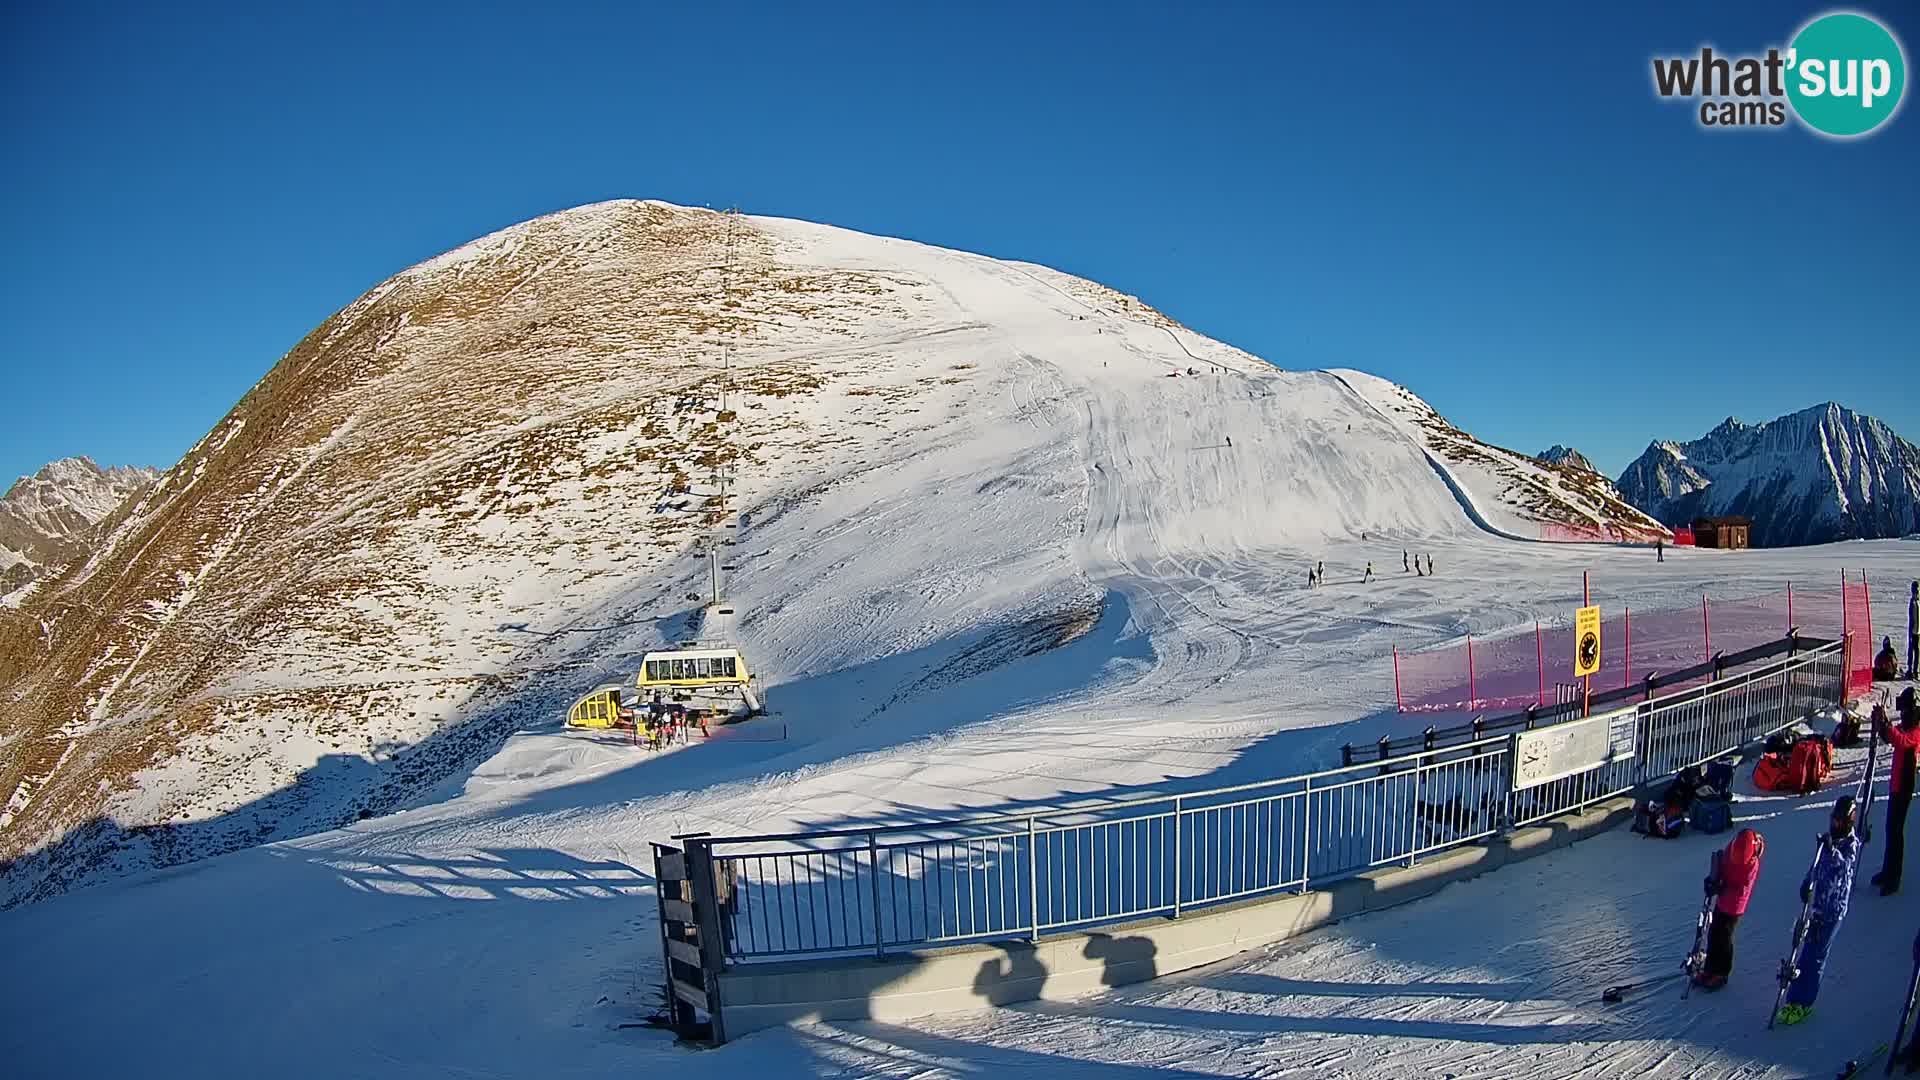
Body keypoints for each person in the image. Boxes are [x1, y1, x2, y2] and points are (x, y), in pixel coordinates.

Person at [1778, 796, 1862, 1025]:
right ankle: (1794, 998)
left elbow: (1843, 867)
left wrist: (1831, 851)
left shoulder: (1852, 845)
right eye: (1832, 820)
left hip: (1833, 912)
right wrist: (1807, 883)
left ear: (1848, 822)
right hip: (1817, 908)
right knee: (1805, 954)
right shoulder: (1828, 842)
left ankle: (1805, 1003)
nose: (1834, 826)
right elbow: (1816, 865)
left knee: (1816, 958)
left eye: (1838, 822)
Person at [1698, 827, 1765, 989]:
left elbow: (1740, 889)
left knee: (1724, 938)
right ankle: (1709, 968)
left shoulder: (1751, 865)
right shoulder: (1734, 846)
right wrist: (1713, 878)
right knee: (1713, 933)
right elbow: (1723, 862)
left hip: (1735, 906)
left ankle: (1721, 973)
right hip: (1723, 901)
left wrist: (1721, 887)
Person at [1873, 689, 1920, 896]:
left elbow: (1902, 740)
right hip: (1896, 784)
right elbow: (1892, 737)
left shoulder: (1917, 730)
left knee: (1896, 832)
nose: (1902, 714)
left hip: (1904, 785)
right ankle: (1887, 870)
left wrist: (1888, 726)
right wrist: (1882, 724)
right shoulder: (1907, 725)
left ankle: (1894, 877)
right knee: (1889, 829)